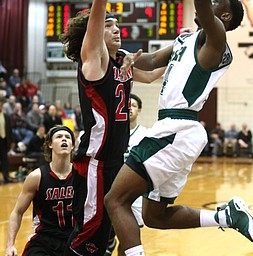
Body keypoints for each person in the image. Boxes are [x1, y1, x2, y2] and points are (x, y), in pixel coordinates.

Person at [105, 1, 253, 256]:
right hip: (174, 131)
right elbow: (152, 60)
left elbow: (201, 7)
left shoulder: (217, 37)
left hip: (176, 129)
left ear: (224, 15)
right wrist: (121, 55)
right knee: (155, 216)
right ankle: (227, 218)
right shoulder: (186, 40)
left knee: (115, 200)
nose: (209, 4)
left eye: (216, 2)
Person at [59, 1, 165, 254]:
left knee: (106, 236)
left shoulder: (122, 63)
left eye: (117, 25)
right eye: (108, 26)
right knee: (87, 239)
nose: (116, 29)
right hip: (95, 163)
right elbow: (96, 17)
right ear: (94, 33)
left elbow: (151, 76)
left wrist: (186, 52)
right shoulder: (94, 59)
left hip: (116, 161)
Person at [5, 125, 75, 256]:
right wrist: (10, 245)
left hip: (75, 239)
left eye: (67, 137)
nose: (64, 140)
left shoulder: (82, 176)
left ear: (72, 146)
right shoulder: (36, 177)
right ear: (50, 144)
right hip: (45, 240)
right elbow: (17, 212)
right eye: (59, 137)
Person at [106, 93, 147, 256]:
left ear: (140, 110)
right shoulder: (111, 133)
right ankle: (109, 243)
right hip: (110, 188)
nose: (130, 108)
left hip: (134, 192)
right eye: (127, 105)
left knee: (129, 240)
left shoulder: (146, 134)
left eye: (134, 105)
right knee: (105, 235)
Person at [0, 100, 14, 183]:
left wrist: (12, 140)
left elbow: (9, 130)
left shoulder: (6, 116)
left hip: (4, 140)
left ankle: (6, 177)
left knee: (5, 160)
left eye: (1, 106)